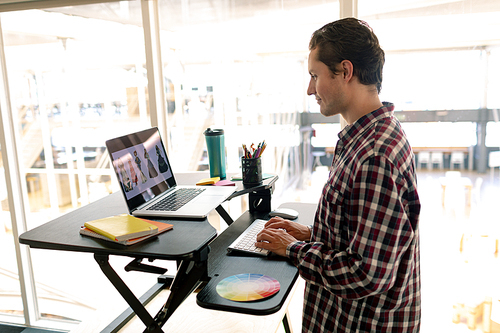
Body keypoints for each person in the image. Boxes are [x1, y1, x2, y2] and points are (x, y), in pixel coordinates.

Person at [256, 17, 421, 332]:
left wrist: (291, 249)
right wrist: (309, 234)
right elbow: (362, 233)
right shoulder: (369, 134)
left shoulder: (375, 155)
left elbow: (365, 274)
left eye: (315, 75)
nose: (309, 89)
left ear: (345, 71)